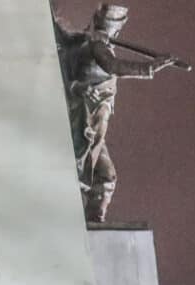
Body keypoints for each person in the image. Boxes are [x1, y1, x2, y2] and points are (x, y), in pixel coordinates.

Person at [55, 3, 176, 222]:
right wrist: (150, 67)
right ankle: (86, 216)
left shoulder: (90, 44)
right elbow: (113, 66)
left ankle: (94, 220)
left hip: (95, 119)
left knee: (104, 177)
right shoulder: (96, 46)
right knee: (94, 173)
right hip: (89, 119)